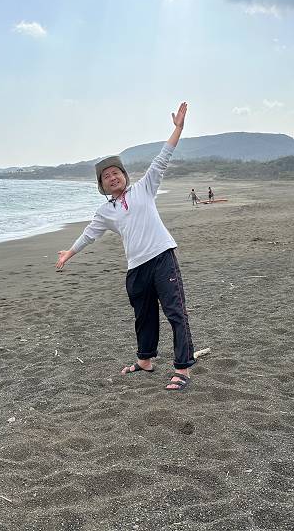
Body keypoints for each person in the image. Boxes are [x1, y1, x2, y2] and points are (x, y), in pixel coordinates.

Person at [56, 102, 196, 391]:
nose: (112, 177)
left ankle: (182, 369)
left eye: (115, 173)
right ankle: (145, 361)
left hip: (162, 258)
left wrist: (178, 129)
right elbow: (89, 234)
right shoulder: (105, 211)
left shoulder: (145, 187)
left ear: (124, 175)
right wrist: (69, 253)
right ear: (102, 186)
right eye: (106, 176)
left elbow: (162, 158)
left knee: (175, 312)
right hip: (136, 267)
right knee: (143, 316)